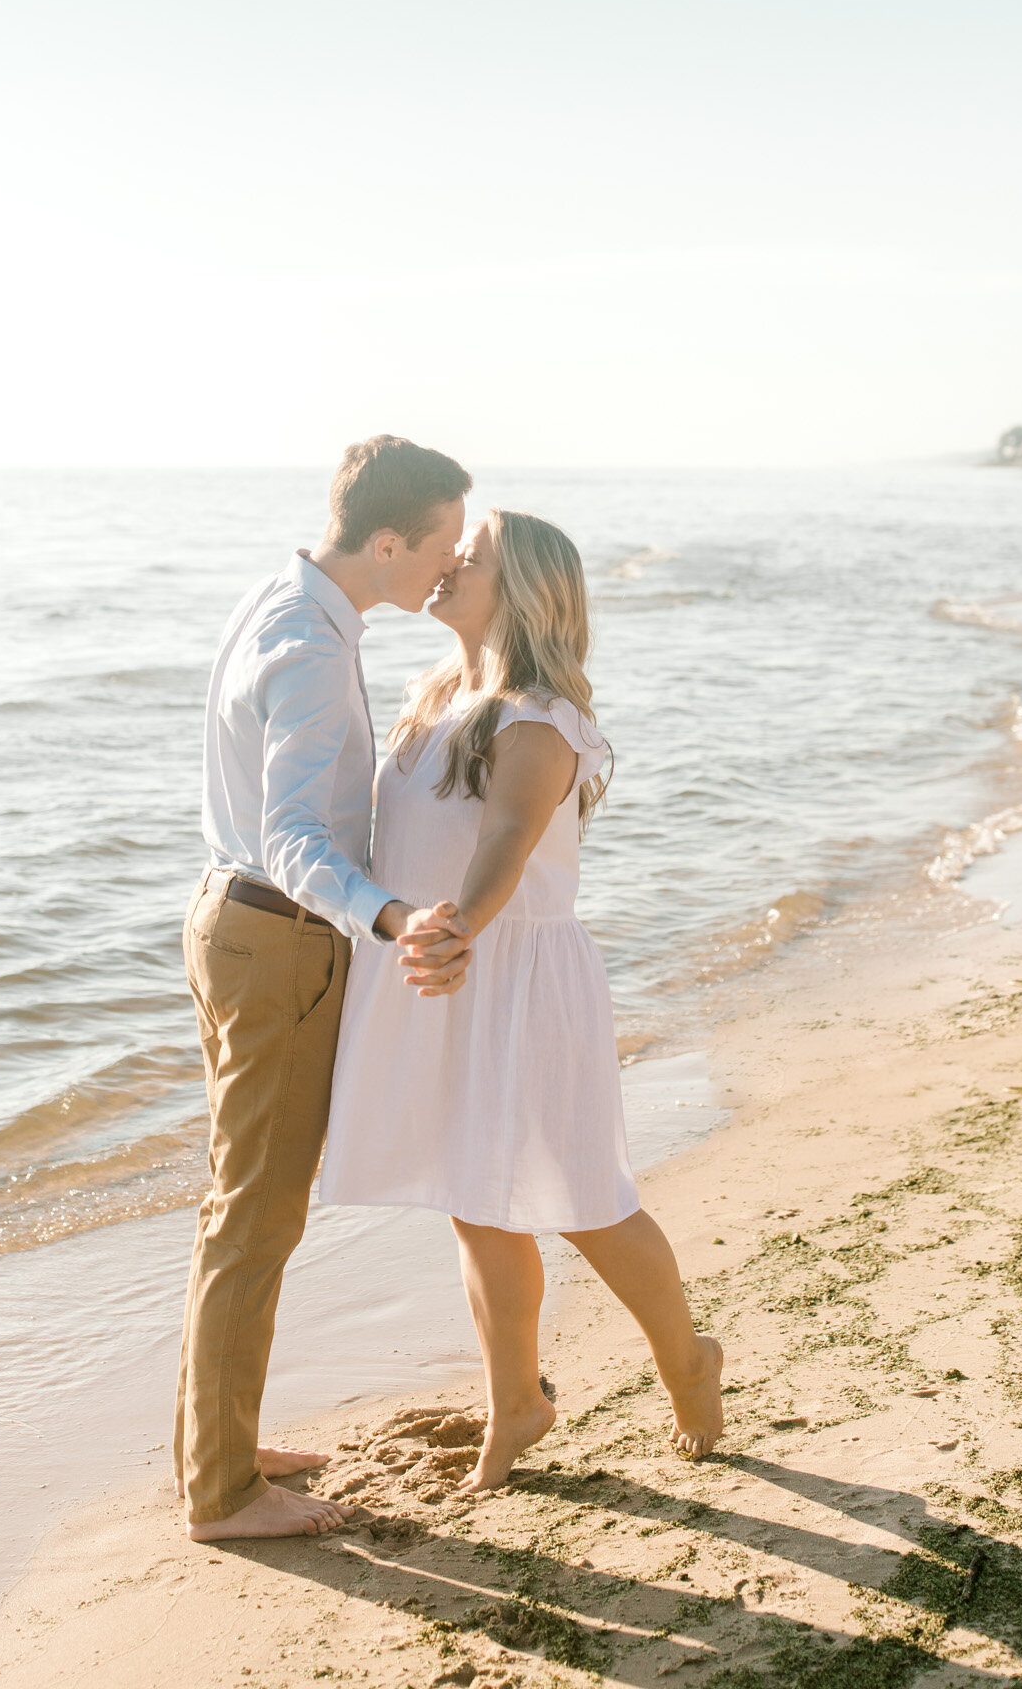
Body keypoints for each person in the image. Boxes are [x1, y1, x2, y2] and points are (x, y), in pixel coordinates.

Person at [320, 508, 723, 1487]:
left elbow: (505, 840)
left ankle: (687, 1356)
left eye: (475, 554)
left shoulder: (537, 715)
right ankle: (518, 1404)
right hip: (445, 967)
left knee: (584, 1198)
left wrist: (455, 924)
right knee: (474, 1203)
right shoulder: (432, 699)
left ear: (524, 591)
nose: (449, 560)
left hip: (514, 974)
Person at [174, 435, 475, 1542]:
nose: (449, 564)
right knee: (254, 1211)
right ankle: (222, 1493)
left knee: (239, 1203)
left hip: (232, 921)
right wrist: (394, 912)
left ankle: (223, 1445)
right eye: (441, 540)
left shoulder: (287, 596)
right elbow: (295, 836)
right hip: (277, 935)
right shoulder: (309, 643)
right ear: (387, 540)